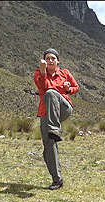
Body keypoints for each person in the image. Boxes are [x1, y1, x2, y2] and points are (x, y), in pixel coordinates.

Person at [33, 48, 79, 190]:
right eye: (48, 58)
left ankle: (54, 128)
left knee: (52, 93)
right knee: (48, 145)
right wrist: (42, 71)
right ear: (44, 61)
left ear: (58, 60)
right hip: (46, 112)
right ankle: (57, 180)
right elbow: (42, 86)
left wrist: (68, 89)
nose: (50, 60)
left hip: (64, 108)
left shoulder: (65, 73)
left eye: (53, 58)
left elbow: (76, 87)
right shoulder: (38, 73)